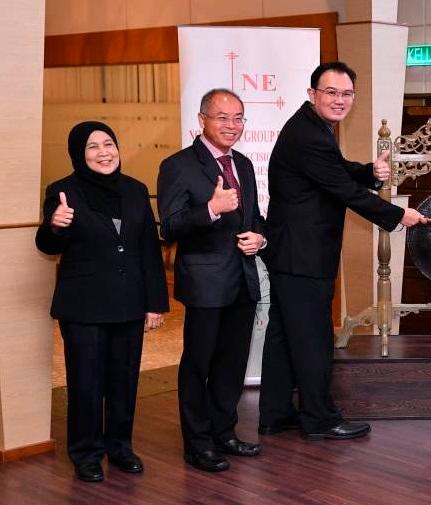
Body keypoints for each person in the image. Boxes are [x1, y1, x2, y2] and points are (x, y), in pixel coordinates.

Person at [258, 61, 428, 440]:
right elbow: (344, 191)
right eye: (331, 92)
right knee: (313, 337)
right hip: (302, 256)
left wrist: (368, 171)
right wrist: (400, 214)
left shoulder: (312, 129)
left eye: (346, 93)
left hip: (292, 253)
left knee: (285, 335)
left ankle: (275, 413)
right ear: (312, 94)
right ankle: (319, 419)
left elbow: (334, 171)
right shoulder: (310, 135)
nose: (339, 100)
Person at [36, 121, 169, 482]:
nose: (104, 152)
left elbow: (147, 250)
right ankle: (86, 452)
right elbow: (48, 245)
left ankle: (120, 447)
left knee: (124, 380)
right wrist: (56, 226)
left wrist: (155, 302)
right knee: (86, 383)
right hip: (84, 306)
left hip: (129, 302)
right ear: (79, 154)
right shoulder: (63, 191)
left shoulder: (135, 190)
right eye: (92, 147)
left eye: (108, 144)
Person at [157, 89, 266, 472]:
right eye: (222, 117)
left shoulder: (245, 165)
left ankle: (225, 433)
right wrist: (211, 209)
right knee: (198, 364)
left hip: (243, 280)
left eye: (238, 118)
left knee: (231, 364)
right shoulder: (178, 165)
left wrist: (261, 238)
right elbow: (169, 228)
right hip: (205, 283)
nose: (231, 126)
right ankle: (197, 443)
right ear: (202, 118)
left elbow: (254, 219)